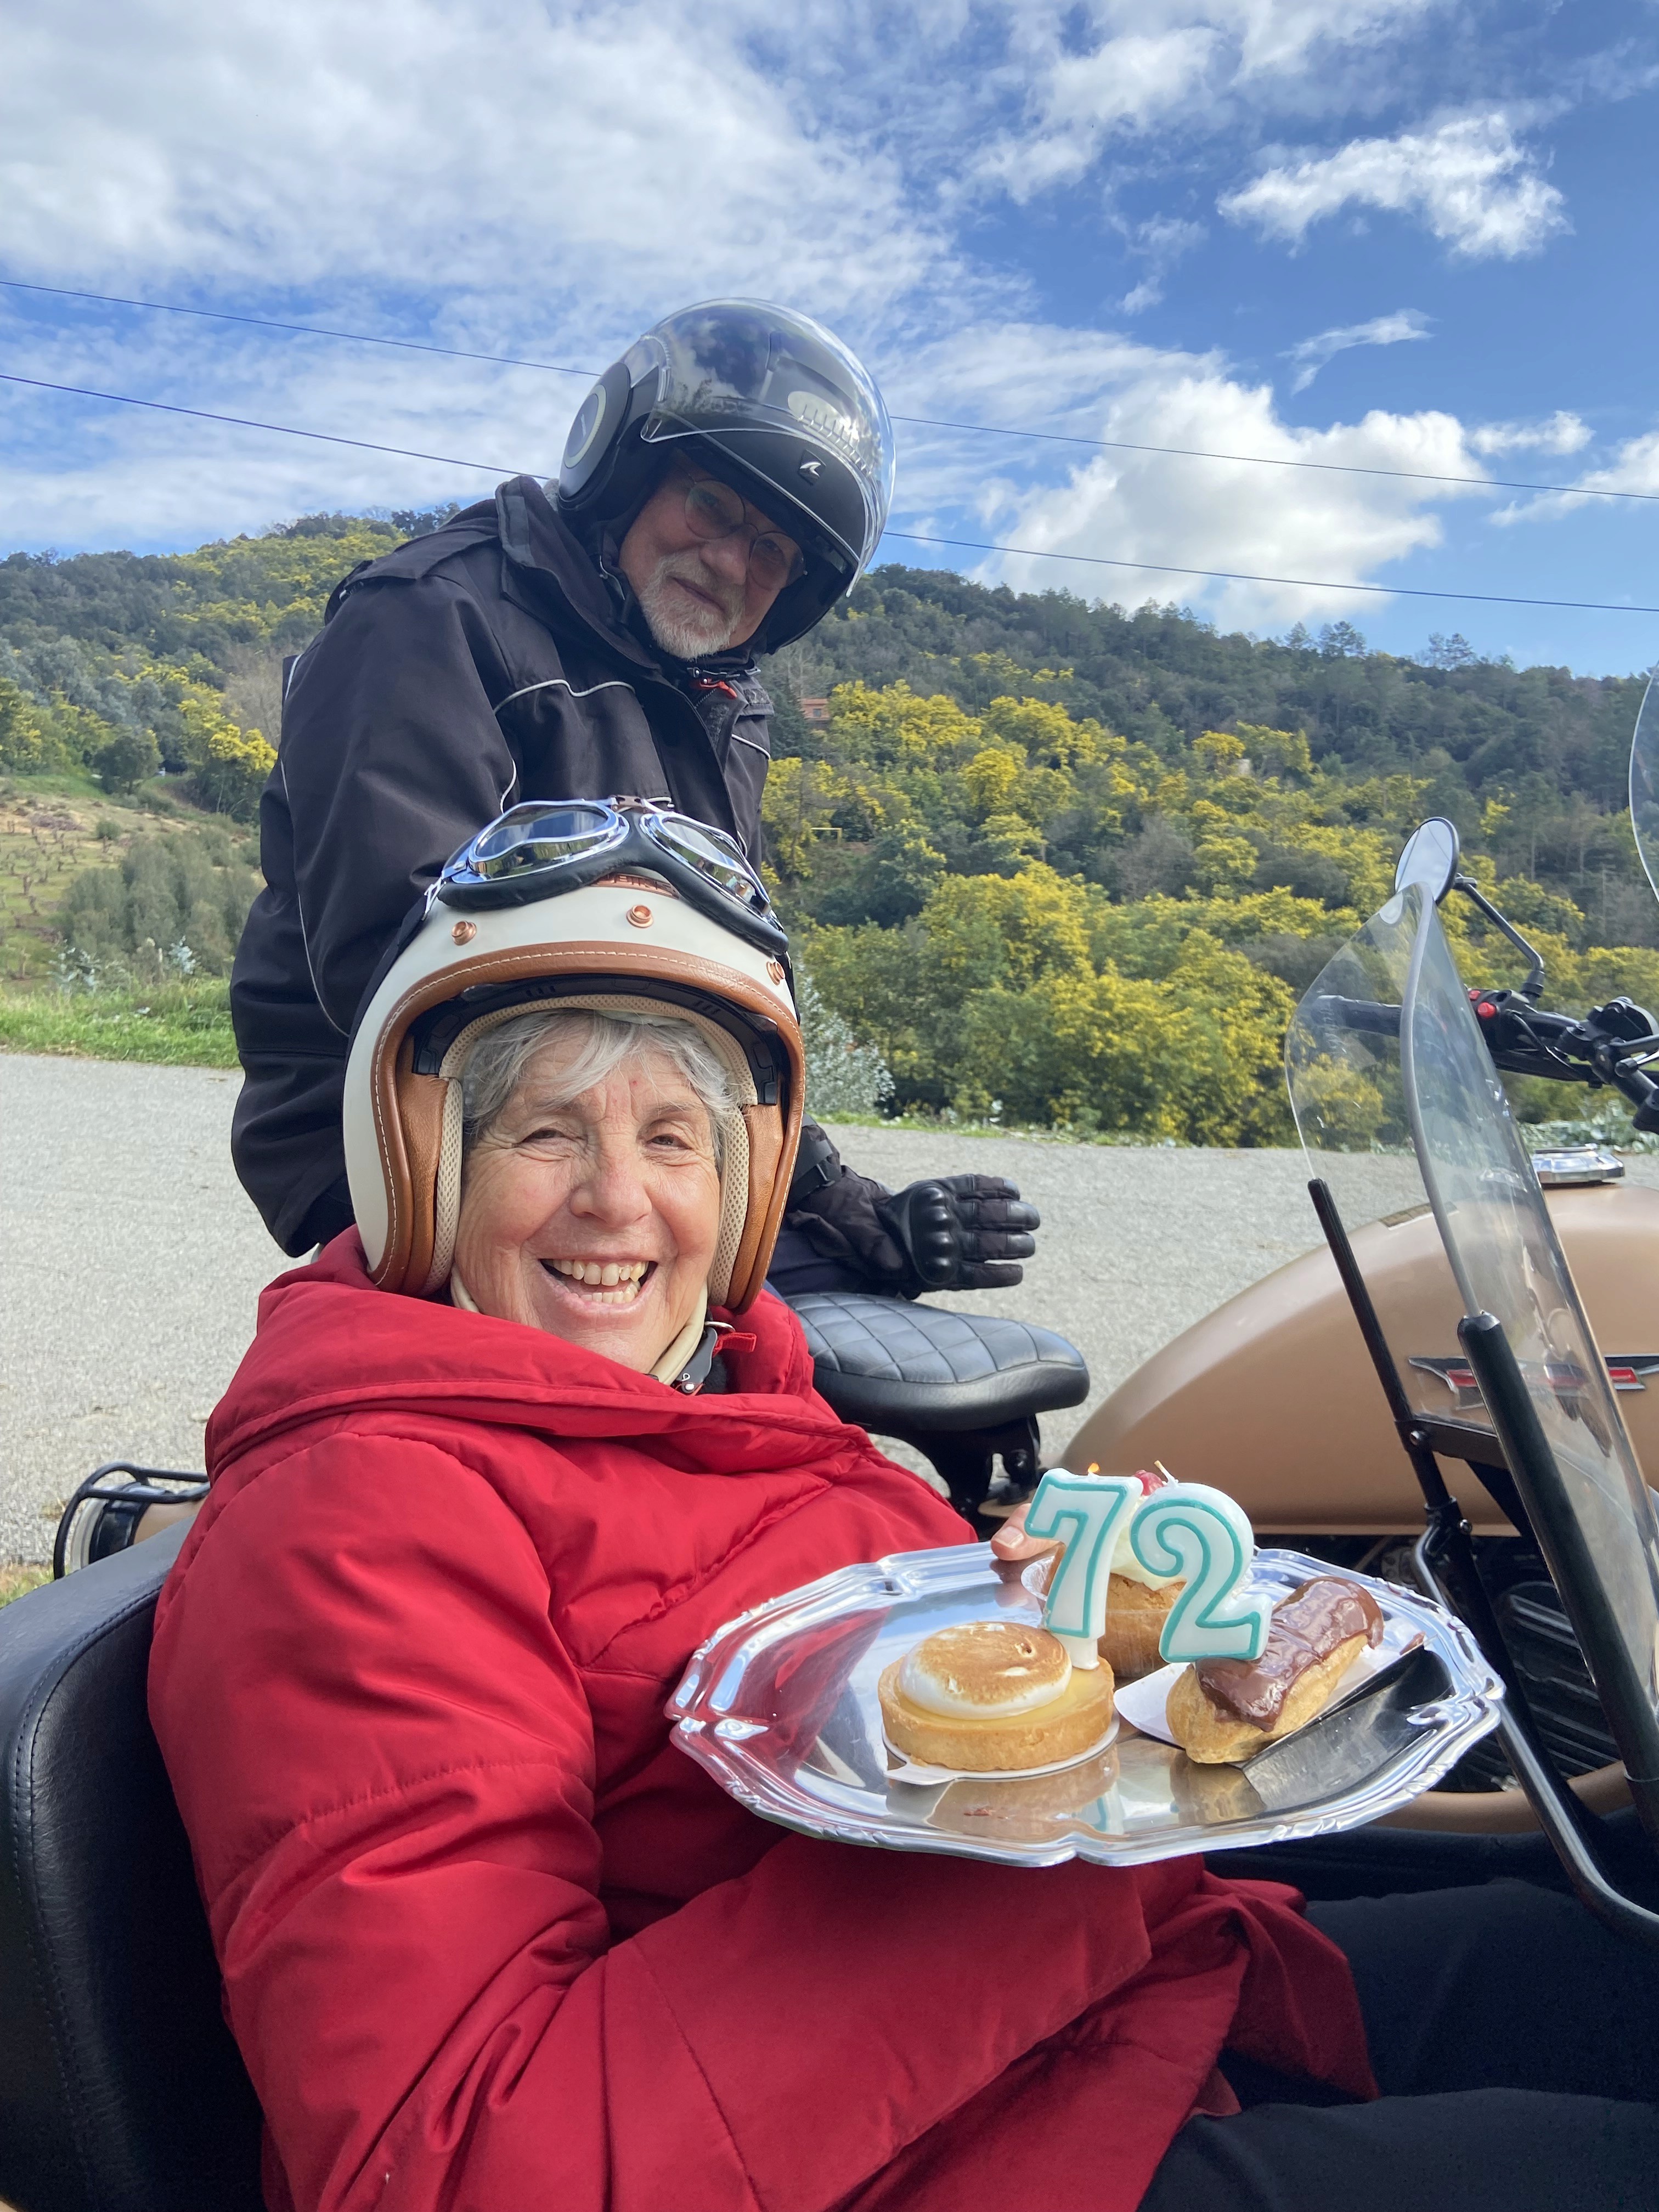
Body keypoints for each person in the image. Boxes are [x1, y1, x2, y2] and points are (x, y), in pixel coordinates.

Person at [150, 804, 1659, 2212]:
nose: (618, 1197)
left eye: (674, 1139)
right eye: (545, 1132)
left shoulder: (733, 1406)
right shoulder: (358, 1521)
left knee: (1609, 1966)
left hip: (1108, 2022)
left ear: (744, 1186)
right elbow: (461, 2165)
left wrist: (1067, 1631)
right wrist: (1059, 1839)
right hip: (968, 2152)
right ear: (421, 1166)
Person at [229, 296, 1037, 1300]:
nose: (733, 562)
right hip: (405, 1123)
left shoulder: (721, 708)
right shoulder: (431, 618)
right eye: (713, 506)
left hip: (626, 1129)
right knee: (744, 1349)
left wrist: (838, 1201)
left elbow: (710, 984)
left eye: (774, 552)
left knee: (882, 1308)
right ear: (624, 477)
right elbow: (405, 966)